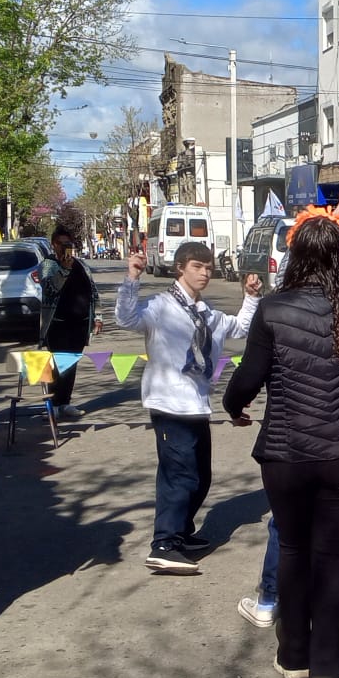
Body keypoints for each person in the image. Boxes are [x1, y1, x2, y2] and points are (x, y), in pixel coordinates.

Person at [222, 207, 339, 678]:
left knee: (293, 551)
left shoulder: (272, 309)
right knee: (332, 558)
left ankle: (293, 654)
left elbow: (248, 378)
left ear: (292, 255)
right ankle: (327, 669)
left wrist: (233, 406)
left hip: (287, 451)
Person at [116, 241, 263, 574]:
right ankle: (164, 543)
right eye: (198, 266)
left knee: (201, 477)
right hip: (168, 402)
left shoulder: (205, 312)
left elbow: (239, 327)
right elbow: (126, 318)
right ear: (180, 267)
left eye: (209, 267)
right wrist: (132, 278)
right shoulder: (160, 306)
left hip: (196, 403)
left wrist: (251, 296)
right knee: (179, 476)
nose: (206, 273)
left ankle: (181, 533)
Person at [40, 228, 98, 420]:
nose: (66, 247)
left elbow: (92, 291)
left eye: (68, 244)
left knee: (71, 366)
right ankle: (53, 404)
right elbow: (50, 288)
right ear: (54, 244)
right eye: (62, 244)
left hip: (79, 325)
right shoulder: (49, 265)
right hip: (58, 325)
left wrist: (97, 318)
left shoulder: (80, 264)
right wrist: (64, 269)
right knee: (57, 366)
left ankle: (65, 403)